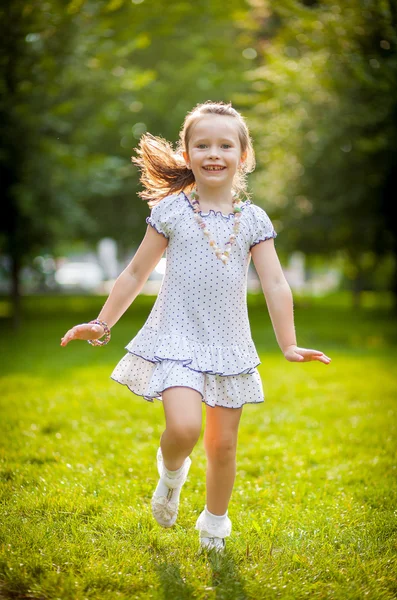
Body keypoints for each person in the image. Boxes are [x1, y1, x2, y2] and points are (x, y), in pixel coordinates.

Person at [60, 100, 331, 553]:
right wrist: (101, 323)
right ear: (186, 154)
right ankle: (171, 474)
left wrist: (289, 344)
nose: (213, 153)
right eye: (202, 144)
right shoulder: (171, 212)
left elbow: (277, 283)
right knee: (184, 429)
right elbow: (134, 274)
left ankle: (214, 526)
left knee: (222, 445)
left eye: (225, 145)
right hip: (176, 338)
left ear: (243, 156)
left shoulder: (253, 220)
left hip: (229, 343)